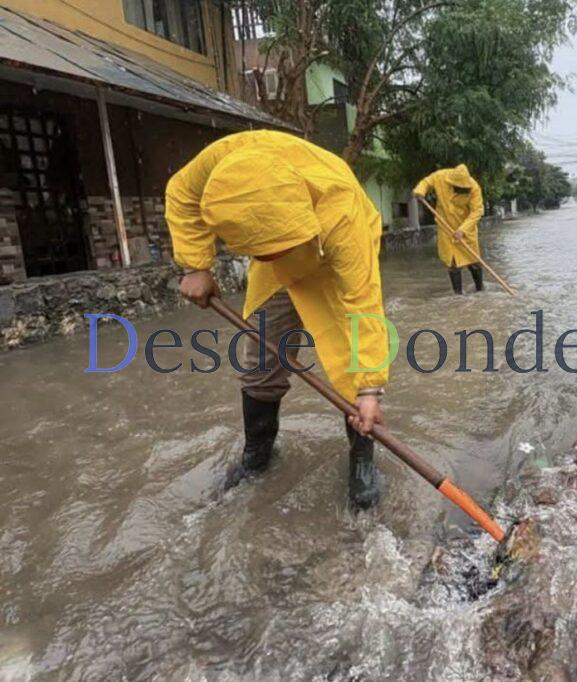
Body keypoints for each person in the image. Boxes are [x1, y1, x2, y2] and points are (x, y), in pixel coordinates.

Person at [165, 130, 391, 509]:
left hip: (326, 257)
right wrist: (196, 264)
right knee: (261, 361)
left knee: (349, 361)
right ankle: (257, 455)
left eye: (279, 249)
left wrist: (369, 389)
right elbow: (181, 195)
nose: (274, 255)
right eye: (264, 252)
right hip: (274, 266)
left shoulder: (344, 215)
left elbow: (363, 302)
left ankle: (361, 458)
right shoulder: (223, 161)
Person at [413, 164, 485, 294]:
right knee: (452, 263)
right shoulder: (441, 176)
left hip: (466, 229)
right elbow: (426, 182)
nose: (462, 190)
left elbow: (477, 211)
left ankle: (480, 290)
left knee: (473, 260)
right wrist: (420, 190)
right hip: (446, 227)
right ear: (452, 184)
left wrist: (462, 230)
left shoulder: (474, 188)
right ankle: (458, 295)